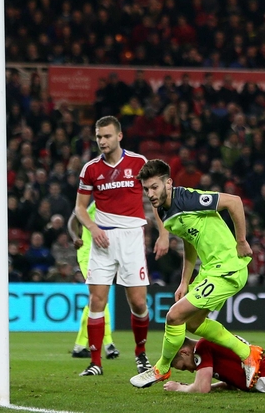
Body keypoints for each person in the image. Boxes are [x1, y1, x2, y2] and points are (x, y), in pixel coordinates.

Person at [130, 159, 261, 390]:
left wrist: (241, 241)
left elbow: (234, 201)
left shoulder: (187, 198)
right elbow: (189, 240)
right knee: (193, 323)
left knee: (174, 316)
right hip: (211, 270)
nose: (150, 194)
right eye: (146, 189)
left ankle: (162, 367)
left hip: (229, 268)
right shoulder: (165, 211)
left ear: (168, 183)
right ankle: (248, 353)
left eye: (154, 187)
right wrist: (184, 281)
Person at [74, 116, 168, 377]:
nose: (102, 141)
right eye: (98, 137)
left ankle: (140, 354)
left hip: (131, 238)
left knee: (138, 303)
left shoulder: (138, 163)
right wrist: (93, 229)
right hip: (102, 240)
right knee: (97, 301)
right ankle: (95, 362)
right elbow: (80, 209)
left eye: (106, 136)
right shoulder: (90, 169)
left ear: (119, 136)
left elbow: (156, 199)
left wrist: (163, 233)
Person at [67, 201, 119, 359]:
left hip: (104, 256)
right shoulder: (95, 202)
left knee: (96, 301)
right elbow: (72, 220)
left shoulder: (118, 205)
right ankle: (109, 344)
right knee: (100, 298)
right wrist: (75, 237)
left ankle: (79, 346)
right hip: (88, 254)